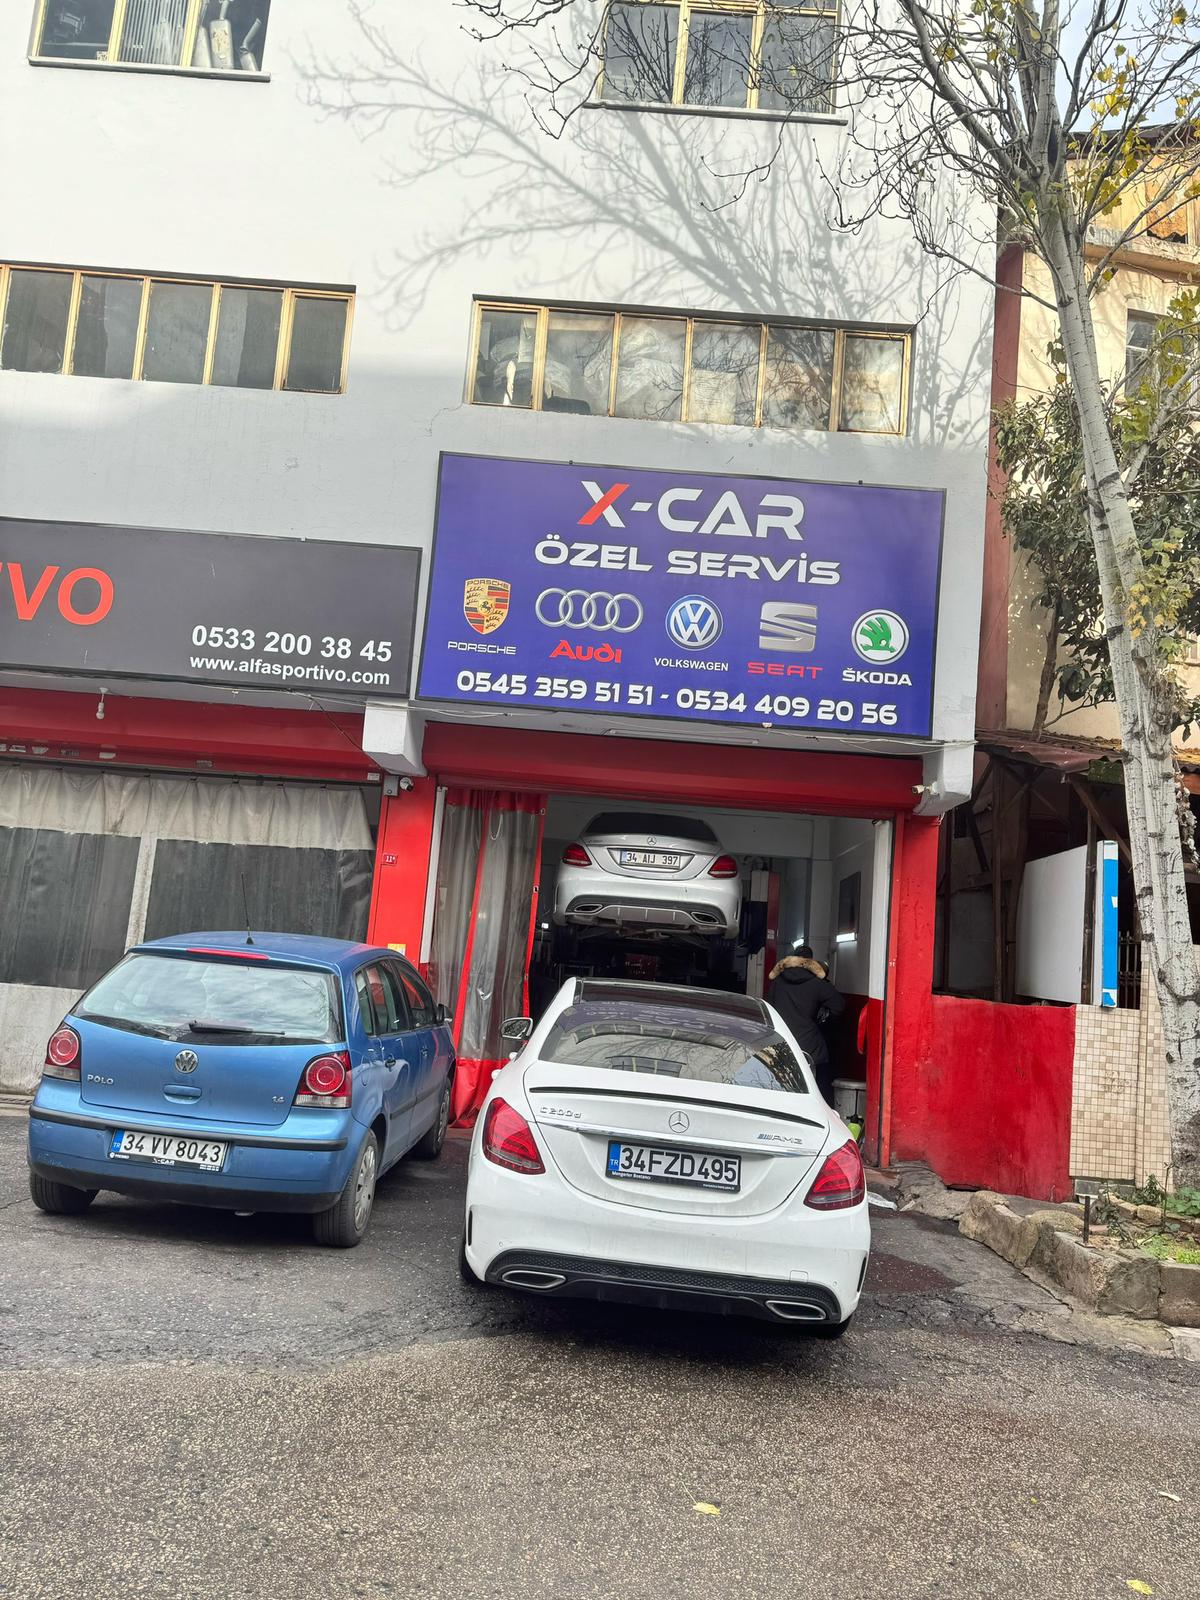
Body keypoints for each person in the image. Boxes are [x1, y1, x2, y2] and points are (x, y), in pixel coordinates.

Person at [767, 944, 845, 1104]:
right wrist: (822, 1018)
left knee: (780, 1084)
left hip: (782, 1041)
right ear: (810, 962)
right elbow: (839, 1005)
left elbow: (769, 1007)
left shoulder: (778, 982)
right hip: (809, 1045)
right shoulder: (817, 983)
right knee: (810, 1087)